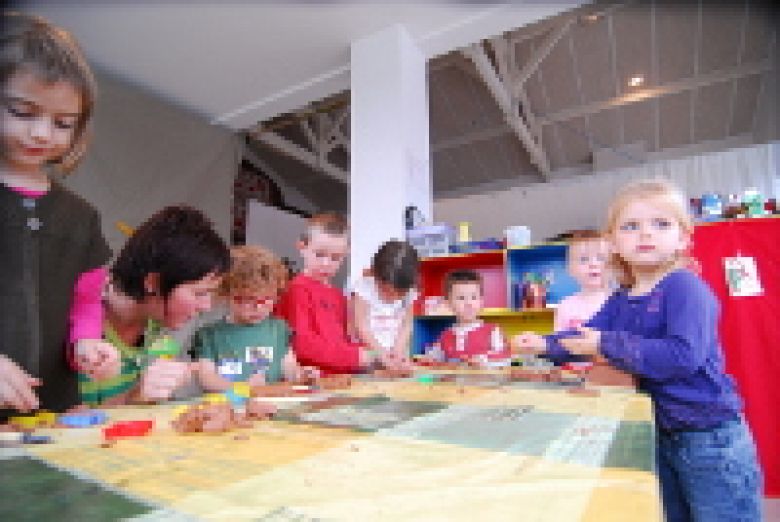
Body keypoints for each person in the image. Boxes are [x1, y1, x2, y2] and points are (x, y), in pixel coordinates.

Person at [513, 179, 762, 521]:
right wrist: (545, 344)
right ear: (613, 243)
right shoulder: (621, 299)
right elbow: (587, 334)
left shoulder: (685, 287)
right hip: (660, 434)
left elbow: (681, 357)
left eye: (661, 224)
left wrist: (604, 343)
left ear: (683, 238)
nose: (646, 234)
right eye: (631, 226)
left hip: (710, 439)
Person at [0, 12, 116, 418]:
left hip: (49, 410)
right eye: (22, 112)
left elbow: (86, 302)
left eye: (62, 122)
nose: (42, 134)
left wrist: (88, 343)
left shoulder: (81, 217)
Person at [78, 206, 230, 405]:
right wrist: (135, 395)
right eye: (199, 293)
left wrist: (147, 393)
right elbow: (60, 421)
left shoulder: (153, 325)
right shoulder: (78, 320)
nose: (207, 306)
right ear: (153, 283)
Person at [275, 212, 376, 375]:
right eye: (319, 254)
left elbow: (344, 341)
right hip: (310, 383)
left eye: (335, 258)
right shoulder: (296, 290)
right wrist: (355, 357)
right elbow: (301, 345)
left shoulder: (339, 297)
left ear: (346, 254)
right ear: (302, 247)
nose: (326, 263)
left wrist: (372, 354)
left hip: (341, 380)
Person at [191, 245, 301, 392]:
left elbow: (289, 367)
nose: (258, 307)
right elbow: (207, 378)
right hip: (227, 408)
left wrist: (300, 374)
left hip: (269, 406)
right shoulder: (209, 335)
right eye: (248, 300)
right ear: (226, 294)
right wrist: (242, 388)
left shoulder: (278, 329)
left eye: (267, 299)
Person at [350, 240, 418, 370]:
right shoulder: (364, 287)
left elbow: (407, 324)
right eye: (386, 291)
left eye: (400, 294)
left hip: (395, 353)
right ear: (375, 275)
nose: (392, 298)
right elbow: (361, 326)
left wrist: (398, 349)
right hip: (370, 353)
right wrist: (380, 352)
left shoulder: (410, 291)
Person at [435, 269, 510, 366]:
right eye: (461, 298)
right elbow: (435, 360)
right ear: (448, 303)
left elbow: (506, 357)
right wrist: (429, 358)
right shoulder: (445, 335)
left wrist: (485, 359)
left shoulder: (493, 331)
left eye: (474, 297)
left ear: (481, 301)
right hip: (454, 381)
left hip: (486, 380)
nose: (469, 303)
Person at [554, 230, 611, 332]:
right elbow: (556, 342)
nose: (593, 264)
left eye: (601, 258)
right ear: (571, 269)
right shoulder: (566, 306)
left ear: (613, 265)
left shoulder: (621, 303)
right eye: (584, 259)